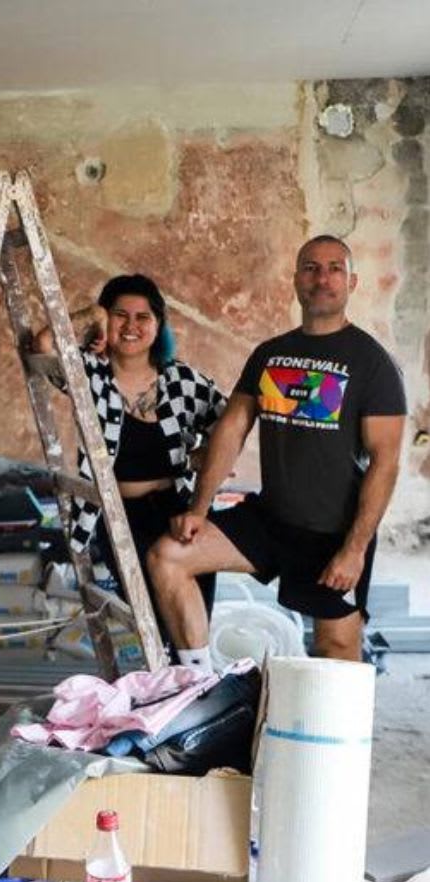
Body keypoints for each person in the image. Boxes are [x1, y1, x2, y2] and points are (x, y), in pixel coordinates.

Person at [148, 236, 407, 667]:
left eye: (335, 269)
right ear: (296, 279)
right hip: (270, 520)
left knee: (336, 647)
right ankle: (198, 682)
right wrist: (199, 508)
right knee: (168, 557)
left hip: (332, 534)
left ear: (352, 282)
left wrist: (355, 549)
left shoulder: (373, 364)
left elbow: (386, 463)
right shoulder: (271, 354)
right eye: (311, 268)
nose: (322, 278)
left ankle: (342, 717)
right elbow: (231, 430)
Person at [34, 274, 227, 656]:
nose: (131, 326)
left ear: (158, 324)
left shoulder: (181, 380)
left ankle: (193, 684)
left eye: (143, 317)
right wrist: (93, 314)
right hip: (120, 515)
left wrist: (203, 458)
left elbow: (230, 423)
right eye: (120, 315)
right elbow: (43, 345)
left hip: (180, 510)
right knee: (154, 619)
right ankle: (173, 683)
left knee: (194, 622)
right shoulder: (88, 373)